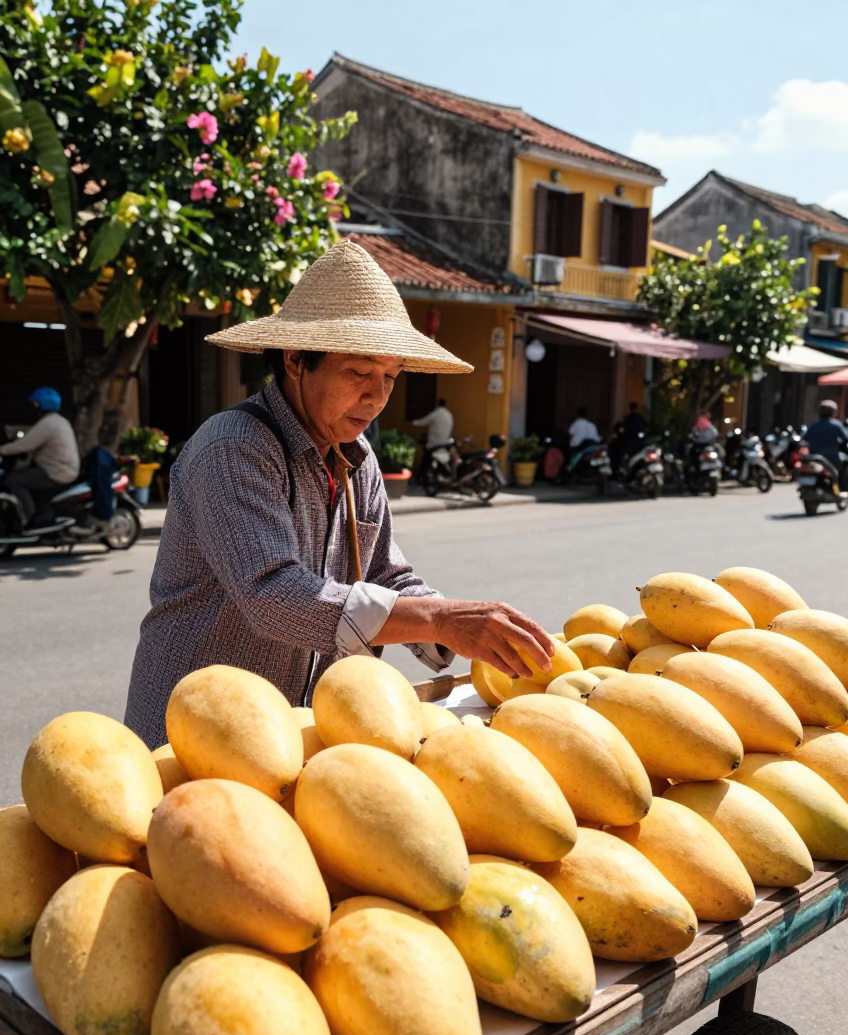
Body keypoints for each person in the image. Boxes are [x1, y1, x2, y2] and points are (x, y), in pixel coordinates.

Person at [125, 240, 553, 748]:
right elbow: (272, 595)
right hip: (191, 733)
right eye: (358, 371)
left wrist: (461, 628)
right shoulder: (233, 448)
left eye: (390, 376)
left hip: (291, 733)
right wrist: (443, 619)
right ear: (295, 359)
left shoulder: (358, 456)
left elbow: (387, 575)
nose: (376, 396)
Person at [0, 388, 80, 527]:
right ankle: (41, 513)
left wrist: (2, 450)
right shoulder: (58, 421)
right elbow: (30, 435)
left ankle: (29, 517)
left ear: (40, 406)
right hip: (61, 469)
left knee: (13, 480)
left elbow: (25, 444)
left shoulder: (48, 424)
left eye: (34, 405)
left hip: (55, 472)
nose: (32, 409)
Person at [804, 400, 848, 489]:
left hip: (814, 457)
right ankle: (842, 488)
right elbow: (847, 439)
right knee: (847, 463)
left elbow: (806, 438)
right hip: (832, 458)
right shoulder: (836, 425)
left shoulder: (814, 425)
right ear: (833, 412)